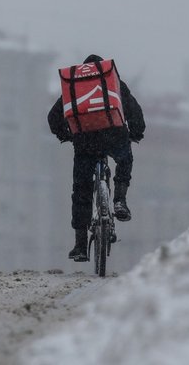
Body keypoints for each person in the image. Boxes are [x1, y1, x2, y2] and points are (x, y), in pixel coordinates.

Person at [47, 54, 145, 262]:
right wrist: (136, 132)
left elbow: (53, 117)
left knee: (81, 190)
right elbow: (135, 112)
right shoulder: (114, 83)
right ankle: (119, 200)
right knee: (124, 159)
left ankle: (81, 245)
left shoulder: (74, 86)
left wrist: (67, 136)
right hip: (114, 136)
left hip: (85, 142)